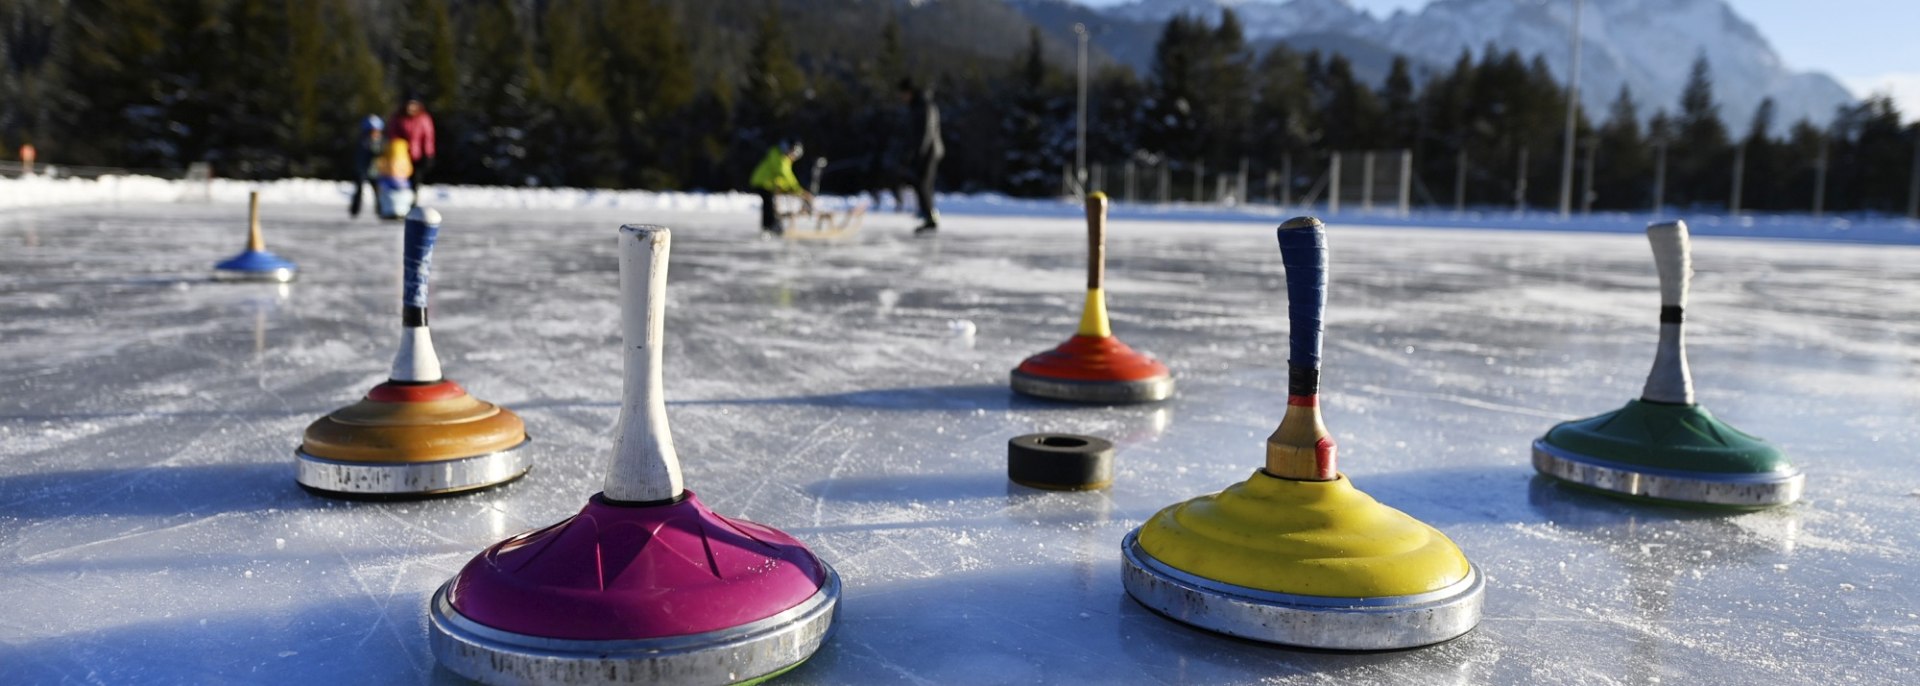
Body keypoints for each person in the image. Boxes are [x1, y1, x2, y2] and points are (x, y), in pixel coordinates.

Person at [897, 78, 944, 234]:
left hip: (929, 152)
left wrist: (918, 153)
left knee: (923, 183)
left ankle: (930, 218)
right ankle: (927, 214)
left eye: (902, 94)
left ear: (908, 92)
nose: (902, 98)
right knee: (921, 183)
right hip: (925, 151)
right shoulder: (918, 104)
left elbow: (926, 132)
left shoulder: (924, 105)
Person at [749, 139, 813, 236]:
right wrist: (797, 189)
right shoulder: (779, 156)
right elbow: (784, 174)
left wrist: (788, 187)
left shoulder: (780, 156)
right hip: (762, 182)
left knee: (769, 204)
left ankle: (769, 226)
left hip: (767, 183)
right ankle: (769, 227)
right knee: (768, 204)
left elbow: (780, 177)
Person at [387, 95, 436, 208]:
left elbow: (428, 137)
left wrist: (429, 154)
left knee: (416, 179)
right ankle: (400, 204)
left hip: (418, 155)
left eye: (413, 104)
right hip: (401, 156)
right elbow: (392, 134)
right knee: (401, 181)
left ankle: (413, 201)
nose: (411, 108)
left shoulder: (423, 118)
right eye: (409, 104)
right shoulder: (398, 118)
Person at [349, 115, 384, 218]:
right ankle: (355, 210)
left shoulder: (380, 141)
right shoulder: (363, 141)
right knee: (359, 190)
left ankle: (381, 210)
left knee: (377, 192)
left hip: (375, 171)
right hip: (362, 170)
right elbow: (364, 155)